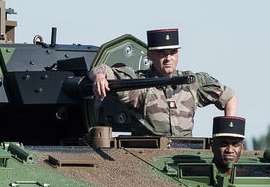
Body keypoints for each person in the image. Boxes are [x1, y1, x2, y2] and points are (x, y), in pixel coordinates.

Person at [89, 28, 237, 137]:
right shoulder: (139, 85)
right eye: (162, 53)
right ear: (150, 54)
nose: (168, 58)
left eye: (173, 53)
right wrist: (99, 77)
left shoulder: (192, 82)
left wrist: (228, 133)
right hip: (148, 157)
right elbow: (100, 69)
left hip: (185, 156)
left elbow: (229, 97)